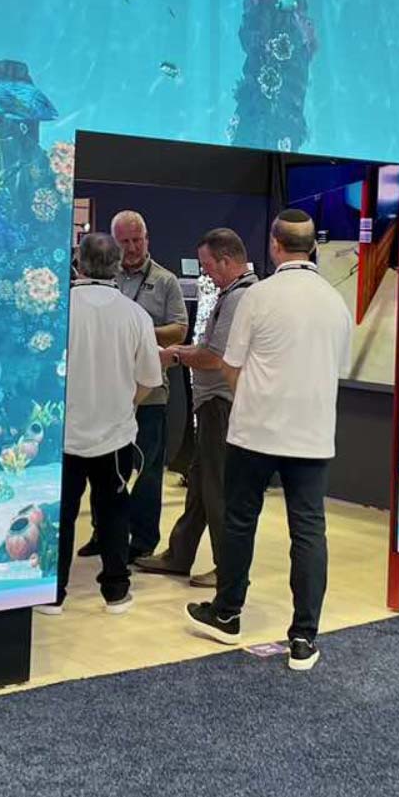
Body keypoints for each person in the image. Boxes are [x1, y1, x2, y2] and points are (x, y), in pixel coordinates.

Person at [181, 209, 351, 671]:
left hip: (254, 431)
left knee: (239, 521)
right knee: (309, 531)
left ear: (275, 245)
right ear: (312, 246)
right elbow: (338, 368)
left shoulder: (258, 296)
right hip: (312, 435)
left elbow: (230, 365)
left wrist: (255, 400)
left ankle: (227, 613)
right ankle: (304, 638)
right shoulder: (335, 303)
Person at [136, 228, 256, 587]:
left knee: (217, 488)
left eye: (208, 266)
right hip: (212, 405)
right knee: (201, 485)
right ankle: (180, 553)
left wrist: (174, 355)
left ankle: (228, 569)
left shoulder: (239, 298)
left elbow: (214, 357)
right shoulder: (233, 294)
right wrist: (180, 353)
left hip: (220, 404)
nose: (205, 273)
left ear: (226, 260)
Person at [52, 231, 163, 615]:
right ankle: (116, 591)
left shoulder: (60, 309)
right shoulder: (135, 315)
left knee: (62, 514)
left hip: (64, 433)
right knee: (114, 510)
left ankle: (54, 593)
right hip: (115, 434)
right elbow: (149, 379)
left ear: (78, 263)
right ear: (117, 265)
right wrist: (124, 404)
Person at [77, 211, 186, 562]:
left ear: (147, 238)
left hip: (150, 392)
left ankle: (142, 540)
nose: (133, 247)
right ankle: (103, 533)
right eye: (125, 241)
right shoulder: (104, 278)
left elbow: (180, 329)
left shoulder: (165, 280)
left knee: (148, 469)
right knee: (104, 469)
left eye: (137, 240)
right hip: (107, 393)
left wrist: (136, 332)